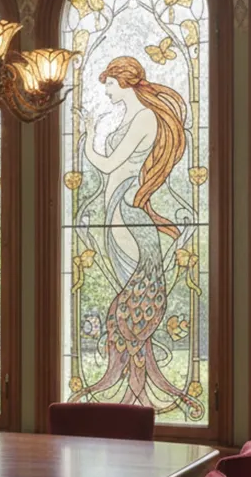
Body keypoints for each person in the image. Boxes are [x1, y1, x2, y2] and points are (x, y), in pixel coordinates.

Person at [74, 54, 201, 417]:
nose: (108, 91)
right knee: (129, 281)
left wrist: (87, 139)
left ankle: (136, 390)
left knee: (133, 287)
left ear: (124, 82)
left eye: (110, 84)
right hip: (118, 203)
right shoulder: (134, 116)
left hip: (124, 204)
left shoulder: (144, 117)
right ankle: (132, 388)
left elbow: (110, 165)